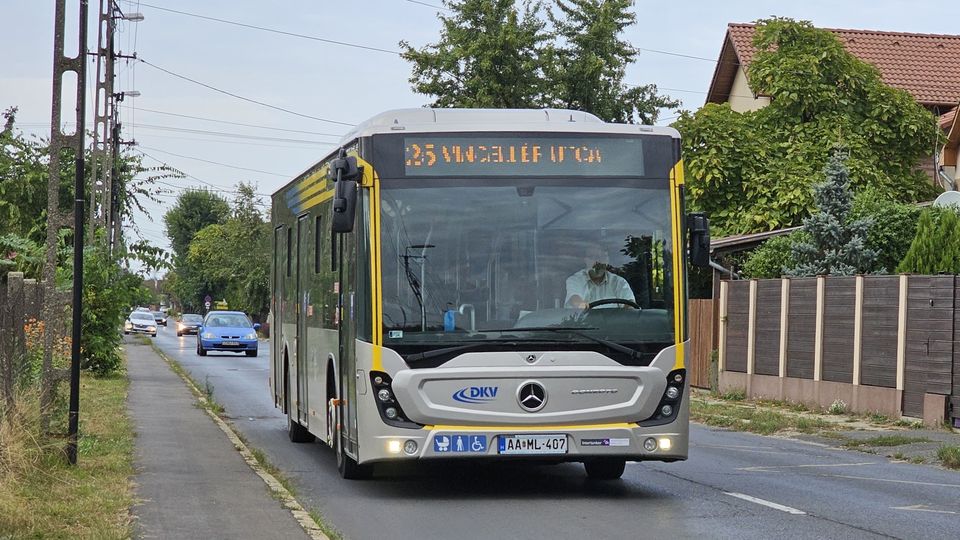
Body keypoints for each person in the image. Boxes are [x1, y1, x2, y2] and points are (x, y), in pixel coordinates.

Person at [564, 244, 636, 309]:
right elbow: (575, 299)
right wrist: (580, 305)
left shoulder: (619, 282)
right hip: (582, 322)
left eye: (602, 257)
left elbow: (630, 306)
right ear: (585, 260)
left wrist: (630, 309)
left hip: (615, 324)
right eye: (593, 257)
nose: (598, 261)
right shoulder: (576, 280)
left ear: (607, 260)